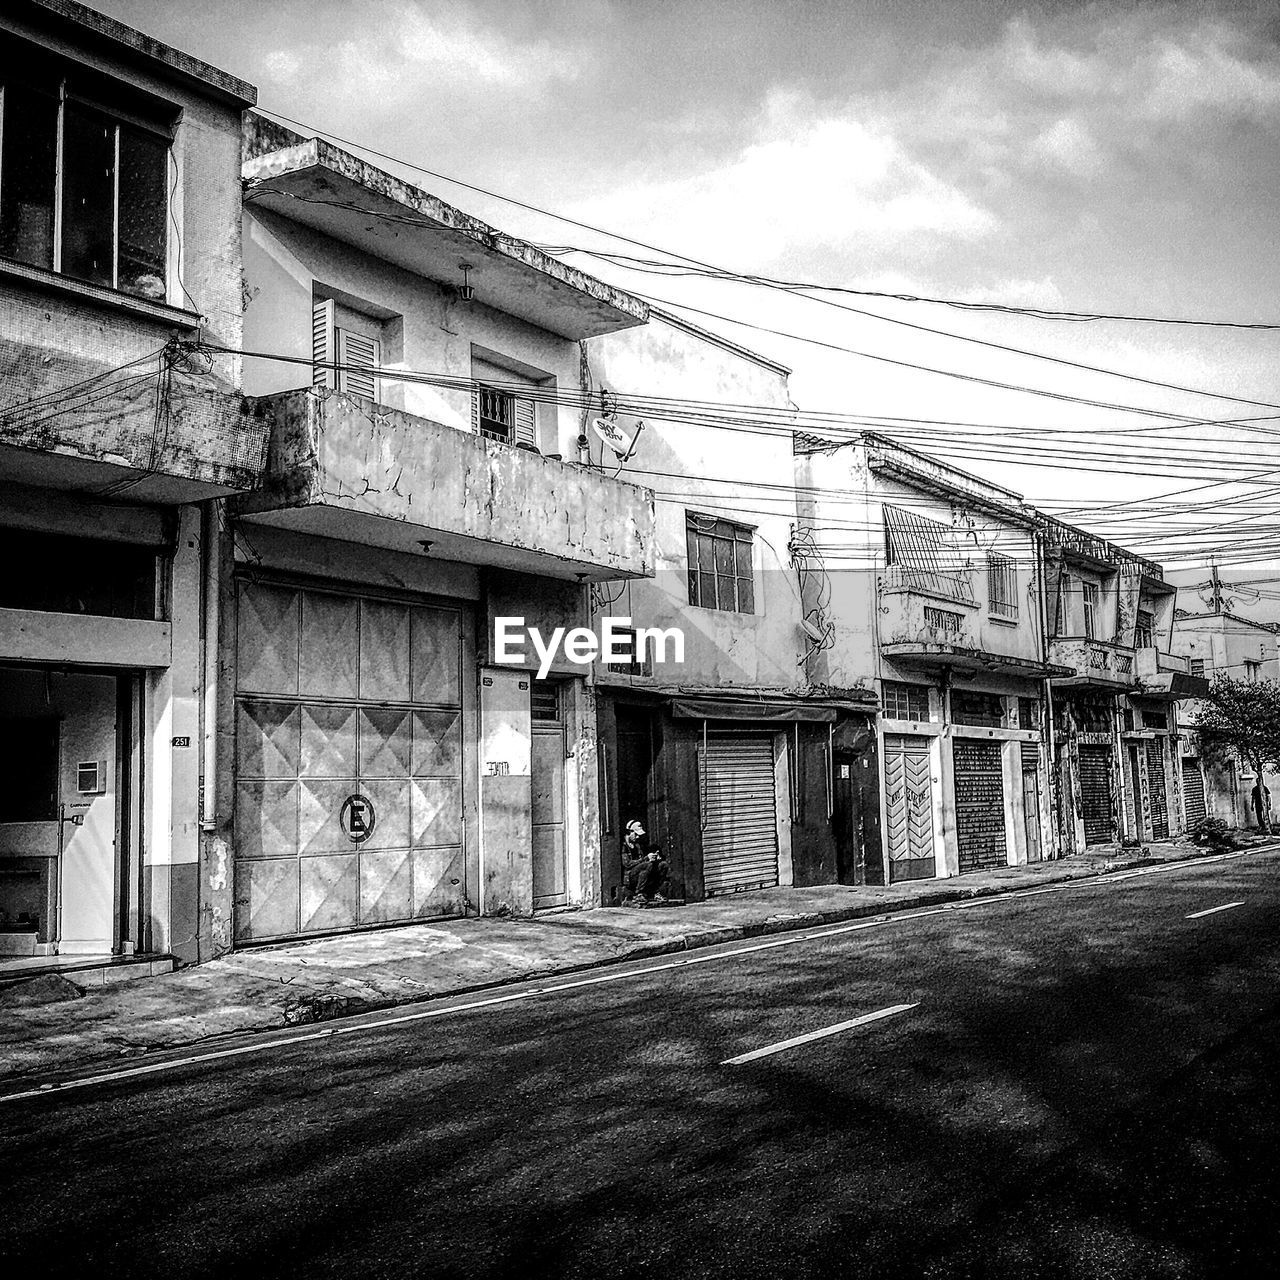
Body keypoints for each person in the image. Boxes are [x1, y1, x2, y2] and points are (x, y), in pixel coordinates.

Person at [621, 818, 670, 906]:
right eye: (636, 834)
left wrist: (654, 858)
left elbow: (644, 860)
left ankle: (656, 892)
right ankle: (639, 893)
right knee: (647, 865)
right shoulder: (623, 846)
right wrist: (646, 859)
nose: (638, 837)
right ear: (630, 832)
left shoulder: (637, 845)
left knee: (663, 865)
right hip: (630, 875)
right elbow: (627, 864)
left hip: (642, 871)